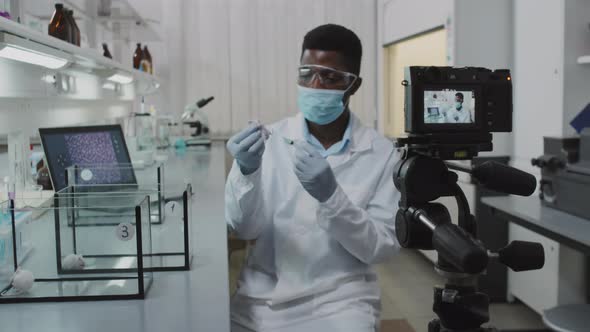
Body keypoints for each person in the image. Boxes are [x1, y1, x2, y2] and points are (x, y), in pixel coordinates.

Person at [225, 24, 400, 332]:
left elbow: (381, 248)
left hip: (342, 300)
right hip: (263, 296)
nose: (315, 85)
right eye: (307, 73)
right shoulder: (272, 140)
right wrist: (246, 172)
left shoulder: (383, 154)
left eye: (330, 77)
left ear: (353, 85)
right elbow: (244, 228)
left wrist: (333, 198)